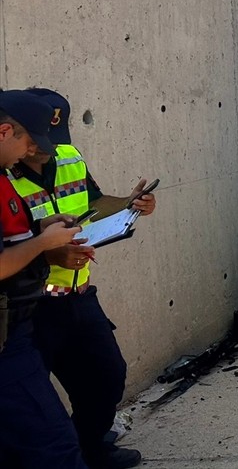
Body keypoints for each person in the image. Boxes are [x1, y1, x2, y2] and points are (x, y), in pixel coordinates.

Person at [7, 89, 154, 469]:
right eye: (35, 142)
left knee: (106, 376)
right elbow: (16, 242)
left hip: (79, 293)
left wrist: (129, 204)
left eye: (50, 143)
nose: (43, 150)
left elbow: (92, 203)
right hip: (31, 307)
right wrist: (47, 249)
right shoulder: (6, 172)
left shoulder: (68, 156)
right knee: (38, 413)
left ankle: (92, 447)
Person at [0, 90, 88, 468]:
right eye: (28, 142)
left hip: (17, 327)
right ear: (5, 131)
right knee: (55, 448)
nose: (30, 152)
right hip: (6, 342)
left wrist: (41, 226)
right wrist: (43, 244)